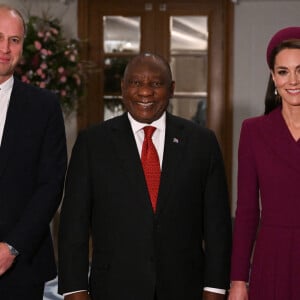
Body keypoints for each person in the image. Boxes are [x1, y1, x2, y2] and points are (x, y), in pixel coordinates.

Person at [58, 52, 232, 300]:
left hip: (185, 289)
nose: (145, 92)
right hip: (113, 289)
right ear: (122, 87)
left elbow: (218, 227)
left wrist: (214, 289)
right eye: (136, 83)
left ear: (171, 89)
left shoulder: (201, 143)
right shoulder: (93, 144)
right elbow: (73, 226)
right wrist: (75, 291)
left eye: (156, 84)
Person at [0, 4, 67, 300]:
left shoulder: (44, 107)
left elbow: (51, 185)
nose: (5, 48)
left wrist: (12, 246)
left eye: (14, 40)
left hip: (22, 262)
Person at [229, 27, 300, 300]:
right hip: (272, 260)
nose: (292, 80)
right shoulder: (254, 131)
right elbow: (246, 211)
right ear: (273, 77)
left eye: (299, 69)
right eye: (283, 71)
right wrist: (238, 280)